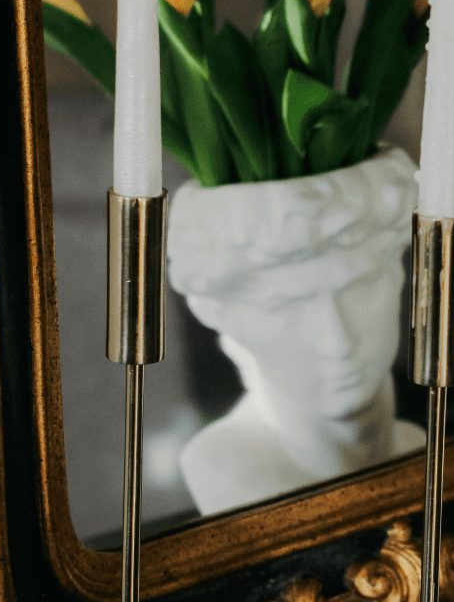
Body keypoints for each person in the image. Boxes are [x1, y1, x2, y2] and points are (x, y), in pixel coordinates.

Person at [167, 145, 425, 514]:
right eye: (288, 309)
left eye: (360, 288)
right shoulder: (228, 475)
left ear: (400, 276)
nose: (338, 342)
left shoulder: (417, 445)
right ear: (226, 320)